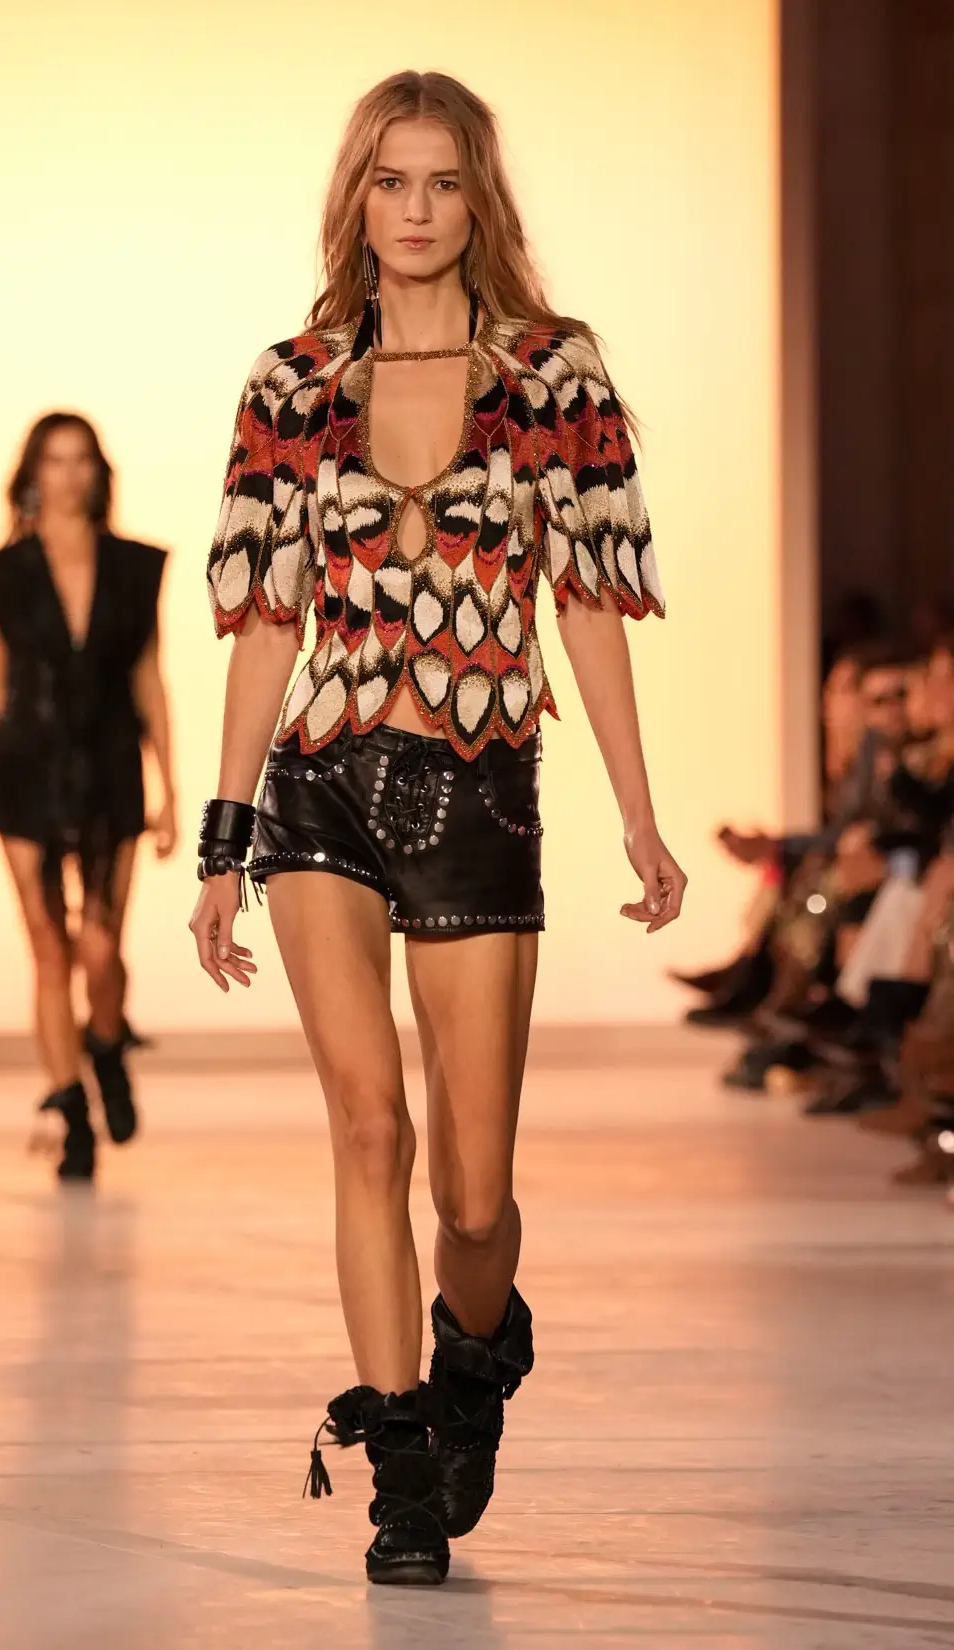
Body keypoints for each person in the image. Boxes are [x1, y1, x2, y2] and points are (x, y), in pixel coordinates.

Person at [189, 70, 684, 1587]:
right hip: (325, 784)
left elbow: (588, 606)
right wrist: (222, 841)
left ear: (480, 198)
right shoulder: (290, 385)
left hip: (480, 788)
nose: (414, 210)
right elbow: (266, 626)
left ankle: (475, 1356)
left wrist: (640, 817)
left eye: (442, 182)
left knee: (472, 1196)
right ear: (357, 198)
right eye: (390, 181)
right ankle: (400, 1465)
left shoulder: (552, 376)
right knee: (368, 1125)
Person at [0, 413, 177, 1183]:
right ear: (32, 474)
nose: (68, 475)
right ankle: (71, 1112)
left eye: (81, 459)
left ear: (98, 471)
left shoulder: (136, 568)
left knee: (101, 947)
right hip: (25, 773)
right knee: (50, 953)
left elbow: (149, 679)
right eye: (54, 460)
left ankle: (106, 1043)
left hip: (112, 771)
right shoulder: (1, 575)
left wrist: (171, 787)